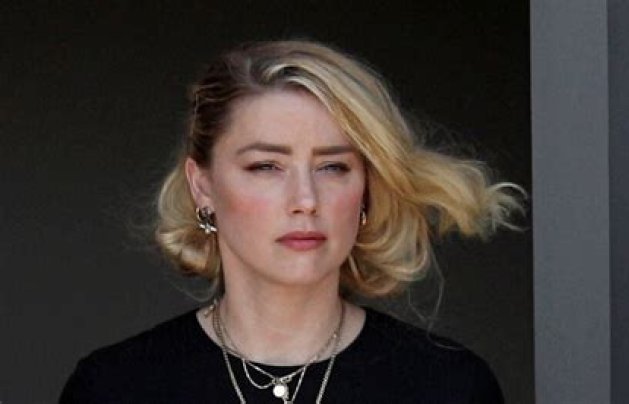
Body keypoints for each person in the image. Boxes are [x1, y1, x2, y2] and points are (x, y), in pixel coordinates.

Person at [59, 39, 524, 403]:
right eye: (266, 166)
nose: (305, 200)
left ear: (366, 188)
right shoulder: (115, 388)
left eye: (333, 167)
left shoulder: (449, 387)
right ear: (203, 186)